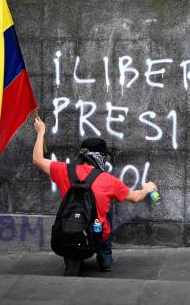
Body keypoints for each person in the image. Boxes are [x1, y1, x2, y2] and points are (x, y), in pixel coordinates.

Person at [32, 115, 156, 272]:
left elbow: (37, 159)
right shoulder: (109, 180)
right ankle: (105, 260)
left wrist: (41, 131)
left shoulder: (64, 170)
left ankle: (73, 258)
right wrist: (147, 188)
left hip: (70, 232)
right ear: (101, 158)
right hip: (96, 235)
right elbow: (136, 197)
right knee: (106, 211)